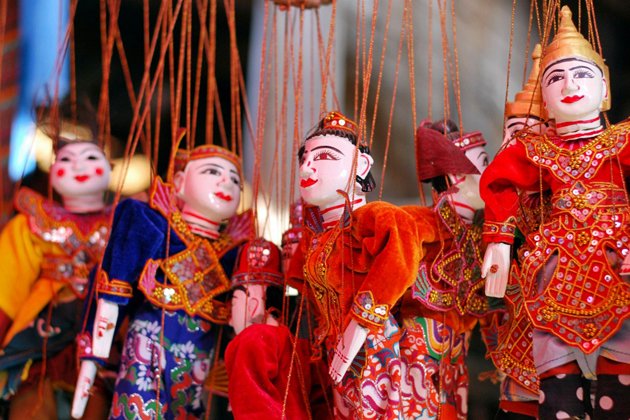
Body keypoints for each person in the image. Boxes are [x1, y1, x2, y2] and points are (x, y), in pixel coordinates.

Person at [481, 6, 630, 418]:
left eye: (582, 74)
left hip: (618, 257)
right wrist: (498, 242)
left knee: (622, 360)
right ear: (544, 100)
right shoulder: (534, 149)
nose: (569, 85)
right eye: (555, 78)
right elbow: (499, 183)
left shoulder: (623, 139)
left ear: (604, 88)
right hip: (554, 264)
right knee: (554, 365)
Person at [71, 143, 250, 419]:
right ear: (179, 182)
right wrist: (93, 357)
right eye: (212, 172)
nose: (226, 182)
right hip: (147, 348)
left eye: (235, 180)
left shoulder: (237, 253)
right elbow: (113, 286)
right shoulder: (152, 227)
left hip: (198, 362)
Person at [288, 111, 442, 418]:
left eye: (324, 156)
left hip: (372, 346)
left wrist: (356, 330)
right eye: (305, 158)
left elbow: (399, 263)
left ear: (361, 165)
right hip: (334, 351)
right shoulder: (315, 234)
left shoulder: (376, 218)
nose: (307, 167)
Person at [0, 128, 113, 419]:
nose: (78, 166)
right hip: (43, 334)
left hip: (104, 336)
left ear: (110, 168)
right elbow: (7, 287)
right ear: (53, 172)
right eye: (66, 160)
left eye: (90, 158)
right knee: (31, 402)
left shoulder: (125, 225)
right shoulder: (32, 225)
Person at [413, 118, 496, 419]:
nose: (492, 172)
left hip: (457, 351)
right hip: (419, 348)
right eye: (484, 163)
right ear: (457, 175)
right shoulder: (422, 226)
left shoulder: (484, 232)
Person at [225, 237, 311, 419]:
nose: (230, 320)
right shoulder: (299, 345)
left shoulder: (253, 338)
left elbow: (254, 410)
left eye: (234, 302)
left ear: (253, 305)